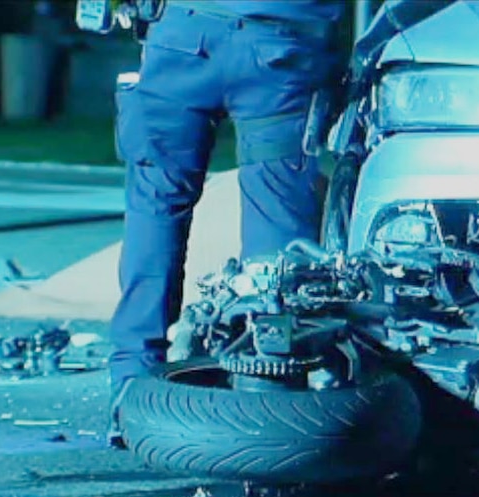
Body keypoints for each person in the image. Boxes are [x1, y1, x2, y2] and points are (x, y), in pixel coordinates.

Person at [107, 0, 345, 445]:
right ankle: (268, 389)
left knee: (155, 210)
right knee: (276, 224)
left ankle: (130, 388)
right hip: (280, 48)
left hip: (182, 37)